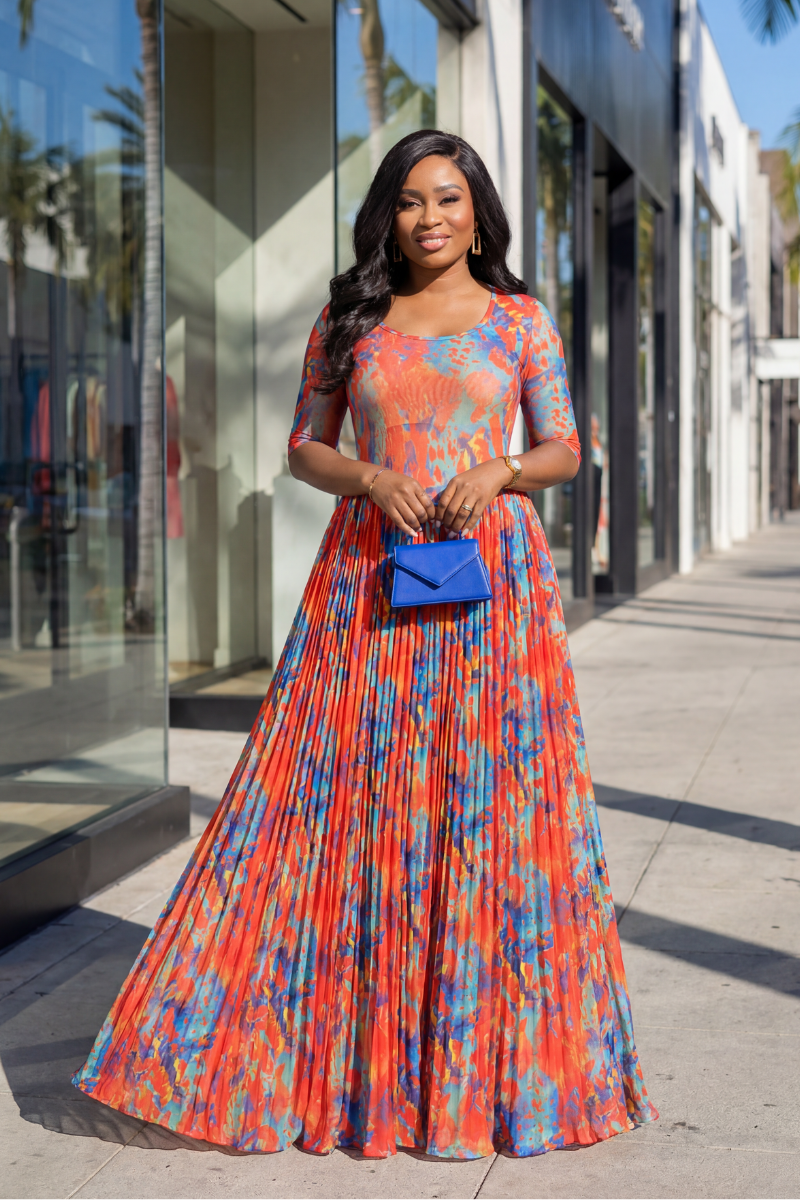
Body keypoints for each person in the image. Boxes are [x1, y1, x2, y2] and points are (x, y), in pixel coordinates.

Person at [74, 130, 657, 1159]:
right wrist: (372, 478)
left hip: (495, 600)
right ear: (386, 215)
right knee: (343, 804)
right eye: (408, 201)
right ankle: (351, 1073)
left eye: (447, 198)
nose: (428, 218)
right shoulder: (350, 323)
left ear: (478, 211)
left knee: (485, 813)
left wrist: (504, 471)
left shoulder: (518, 321)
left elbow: (567, 446)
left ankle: (485, 1077)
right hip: (369, 586)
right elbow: (304, 445)